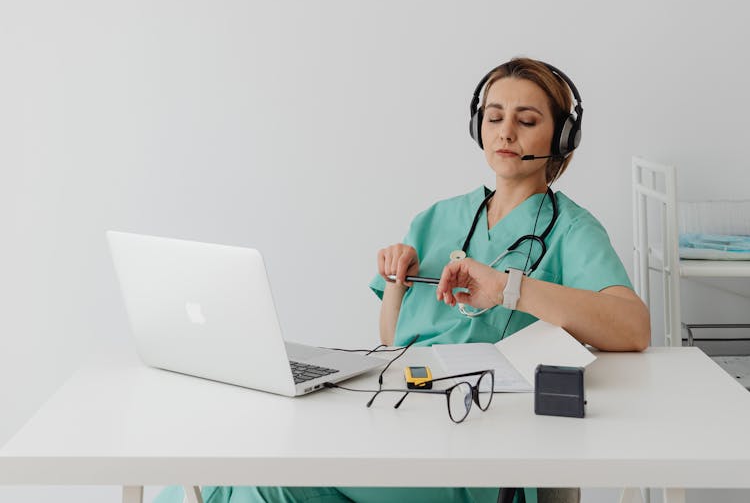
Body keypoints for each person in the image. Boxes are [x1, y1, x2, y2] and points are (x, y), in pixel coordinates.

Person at [155, 57, 649, 503]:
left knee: (268, 480)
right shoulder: (437, 218)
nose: (505, 134)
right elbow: (393, 339)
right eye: (494, 118)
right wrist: (397, 280)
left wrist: (507, 288)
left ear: (561, 138)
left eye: (527, 121)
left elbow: (632, 328)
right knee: (217, 466)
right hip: (397, 411)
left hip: (481, 443)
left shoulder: (571, 230)